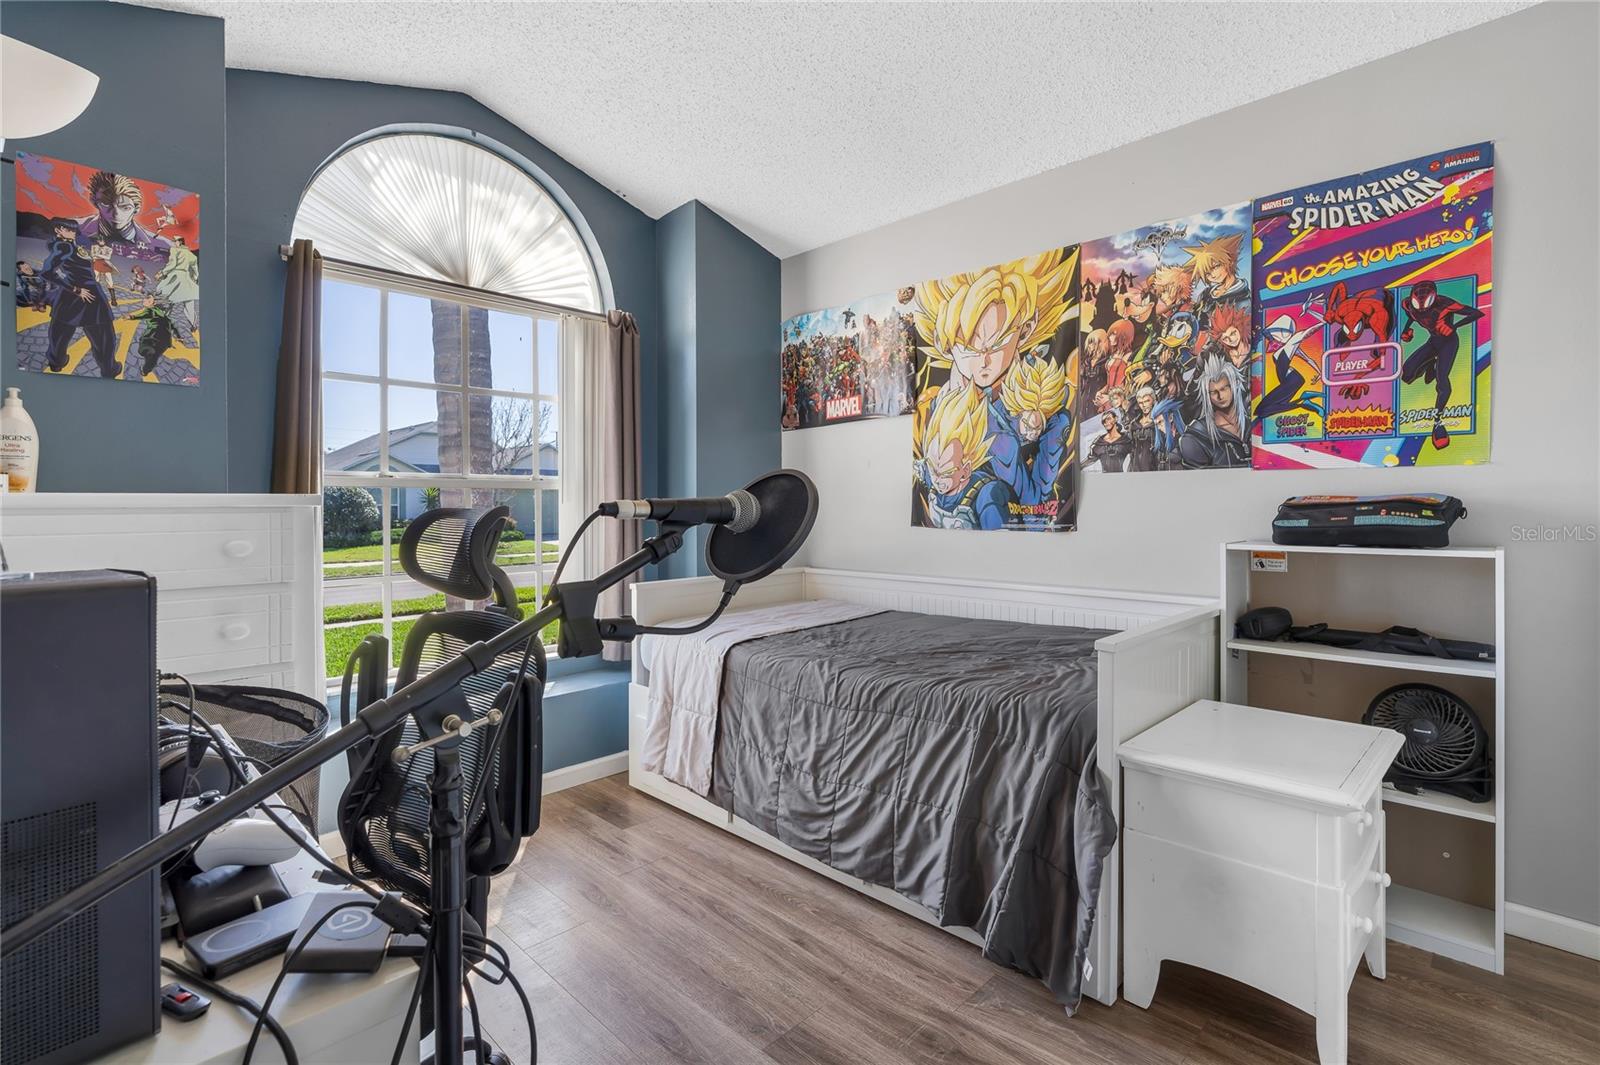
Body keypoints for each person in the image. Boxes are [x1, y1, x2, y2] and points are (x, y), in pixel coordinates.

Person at [1397, 280, 1483, 448]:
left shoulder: (1445, 303)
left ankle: (1437, 422)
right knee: (1406, 375)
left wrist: (1454, 326)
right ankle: (1432, 363)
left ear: (1434, 297)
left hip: (1448, 342)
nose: (1422, 308)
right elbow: (1411, 316)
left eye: (1426, 302)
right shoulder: (1408, 305)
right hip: (1433, 342)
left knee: (1442, 381)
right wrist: (1406, 331)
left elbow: (1476, 313)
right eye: (1417, 303)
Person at [915, 384, 1012, 530]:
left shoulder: (987, 495)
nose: (937, 479)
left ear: (965, 470)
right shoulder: (933, 476)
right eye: (932, 469)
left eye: (945, 473)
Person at [38, 217, 121, 377]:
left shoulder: (70, 245)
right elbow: (46, 273)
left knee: (60, 331)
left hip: (72, 296)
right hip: (85, 293)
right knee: (103, 335)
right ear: (58, 230)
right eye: (68, 229)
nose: (73, 232)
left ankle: (56, 362)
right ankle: (108, 368)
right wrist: (75, 289)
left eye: (74, 229)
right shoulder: (64, 246)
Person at [1178, 356, 1251, 468]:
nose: (1220, 396)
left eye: (1223, 389)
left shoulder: (1252, 425)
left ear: (1234, 385)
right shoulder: (1196, 438)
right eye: (1213, 392)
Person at [154, 235, 200, 341]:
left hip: (175, 278)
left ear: (180, 242)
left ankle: (161, 323)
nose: (174, 243)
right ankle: (193, 324)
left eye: (175, 241)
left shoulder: (175, 250)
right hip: (186, 279)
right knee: (189, 305)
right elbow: (195, 271)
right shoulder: (191, 255)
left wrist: (161, 273)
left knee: (167, 301)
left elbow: (172, 264)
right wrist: (193, 279)